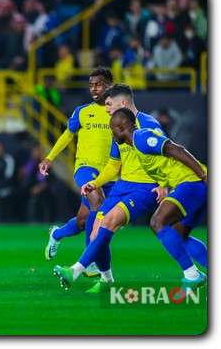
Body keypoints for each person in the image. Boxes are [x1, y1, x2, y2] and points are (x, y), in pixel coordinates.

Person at [56, 108, 207, 291]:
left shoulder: (142, 138)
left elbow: (175, 149)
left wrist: (202, 175)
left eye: (111, 128)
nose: (110, 133)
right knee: (179, 235)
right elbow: (165, 165)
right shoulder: (135, 145)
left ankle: (192, 275)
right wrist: (163, 184)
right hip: (188, 184)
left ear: (121, 127)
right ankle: (195, 274)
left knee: (158, 222)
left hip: (191, 183)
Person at [53, 84, 166, 292]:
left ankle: (75, 271)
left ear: (122, 103)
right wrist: (95, 183)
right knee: (96, 231)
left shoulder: (148, 124)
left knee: (109, 222)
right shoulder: (118, 127)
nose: (106, 109)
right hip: (122, 186)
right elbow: (114, 165)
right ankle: (107, 280)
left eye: (108, 104)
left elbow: (167, 154)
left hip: (144, 188)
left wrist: (163, 184)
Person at [41, 67, 115, 278]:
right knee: (98, 204)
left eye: (99, 84)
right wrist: (49, 158)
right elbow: (67, 135)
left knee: (83, 221)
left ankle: (56, 233)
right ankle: (89, 261)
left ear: (110, 85)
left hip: (109, 174)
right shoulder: (83, 111)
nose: (94, 88)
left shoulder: (118, 114)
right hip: (85, 168)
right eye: (91, 85)